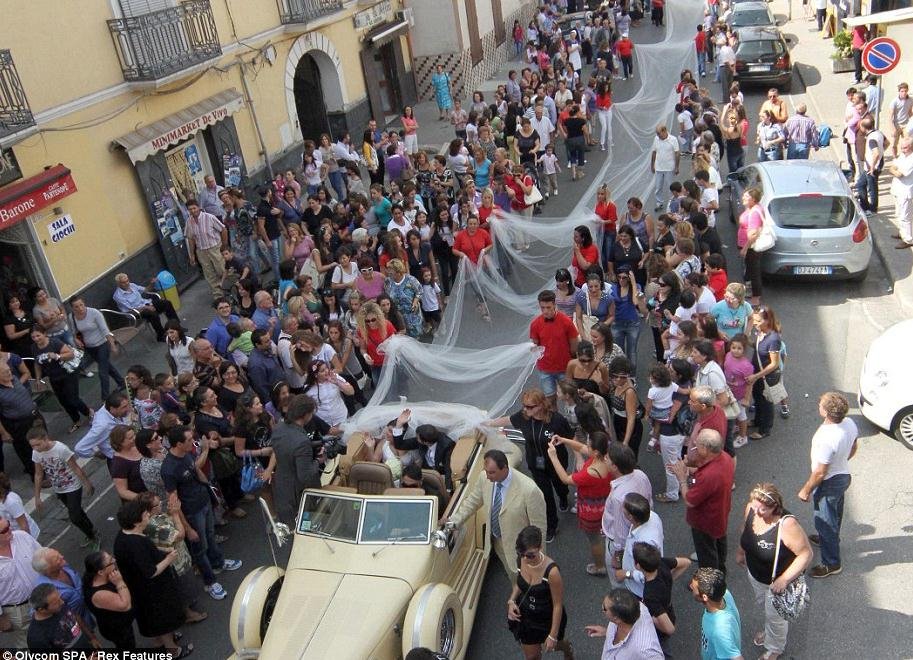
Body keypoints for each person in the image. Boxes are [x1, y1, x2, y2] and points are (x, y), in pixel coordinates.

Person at [161, 425, 242, 601]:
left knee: (210, 536)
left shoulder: (186, 454)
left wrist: (211, 492)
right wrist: (187, 528)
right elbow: (173, 501)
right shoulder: (169, 469)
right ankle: (210, 582)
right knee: (199, 548)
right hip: (191, 512)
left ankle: (218, 563)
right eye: (189, 440)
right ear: (177, 444)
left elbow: (196, 470)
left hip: (204, 502)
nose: (193, 442)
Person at [736, 483, 813, 660]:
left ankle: (774, 649)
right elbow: (746, 531)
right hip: (755, 574)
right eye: (754, 506)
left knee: (776, 617)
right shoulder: (751, 509)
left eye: (762, 510)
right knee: (767, 609)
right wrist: (741, 551)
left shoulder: (787, 524)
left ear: (774, 507)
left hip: (776, 582)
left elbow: (806, 553)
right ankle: (770, 632)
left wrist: (784, 579)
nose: (756, 512)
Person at [447, 449, 547, 585]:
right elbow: (473, 502)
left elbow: (539, 529)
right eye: (486, 471)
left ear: (505, 468)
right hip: (497, 542)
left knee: (528, 582)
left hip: (520, 549)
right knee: (513, 577)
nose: (488, 476)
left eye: (492, 472)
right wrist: (454, 521)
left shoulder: (530, 490)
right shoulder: (484, 478)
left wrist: (537, 561)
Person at [112, 499, 189, 656]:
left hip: (141, 590)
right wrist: (169, 559)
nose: (148, 515)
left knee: (153, 621)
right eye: (144, 514)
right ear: (136, 522)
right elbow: (151, 571)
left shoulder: (125, 536)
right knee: (162, 620)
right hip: (152, 592)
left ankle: (159, 642)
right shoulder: (135, 544)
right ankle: (172, 650)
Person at [798, 392, 858, 578]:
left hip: (829, 482)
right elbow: (854, 446)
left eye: (820, 404)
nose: (819, 405)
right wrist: (841, 460)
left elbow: (820, 472)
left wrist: (806, 489)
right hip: (843, 475)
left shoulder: (826, 437)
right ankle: (830, 539)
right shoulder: (849, 423)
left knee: (825, 521)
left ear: (826, 412)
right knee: (835, 512)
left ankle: (831, 563)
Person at [546, 430, 612, 575]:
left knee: (594, 539)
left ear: (595, 452)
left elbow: (565, 479)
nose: (585, 447)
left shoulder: (590, 473)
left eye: (589, 446)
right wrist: (564, 439)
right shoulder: (607, 458)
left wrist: (553, 457)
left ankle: (600, 566)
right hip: (604, 502)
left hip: (591, 510)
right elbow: (582, 448)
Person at [670, 429, 734, 573]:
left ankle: (709, 581)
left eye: (697, 445)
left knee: (707, 554)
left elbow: (690, 500)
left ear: (705, 449)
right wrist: (692, 468)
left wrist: (682, 478)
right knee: (719, 544)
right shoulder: (725, 458)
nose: (693, 447)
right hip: (720, 513)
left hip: (705, 521)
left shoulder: (708, 476)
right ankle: (721, 571)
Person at [28, 427, 99, 550]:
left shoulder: (61, 449)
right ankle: (91, 529)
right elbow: (38, 474)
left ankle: (93, 535)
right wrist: (37, 496)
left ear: (46, 439)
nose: (35, 448)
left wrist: (87, 483)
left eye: (38, 444)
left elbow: (76, 467)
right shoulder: (36, 453)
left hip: (72, 486)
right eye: (33, 446)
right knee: (77, 512)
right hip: (58, 488)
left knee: (75, 516)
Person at [506, 526, 572, 659]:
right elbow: (520, 584)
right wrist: (511, 601)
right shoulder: (521, 559)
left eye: (530, 555)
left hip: (547, 618)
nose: (525, 559)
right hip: (526, 617)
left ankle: (566, 647)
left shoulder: (552, 572)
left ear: (540, 547)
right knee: (532, 657)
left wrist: (553, 635)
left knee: (554, 645)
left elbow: (558, 605)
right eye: (521, 553)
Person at [268, 394, 323, 525]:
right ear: (305, 415)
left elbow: (282, 450)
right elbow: (305, 476)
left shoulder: (279, 428)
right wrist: (318, 461)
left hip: (282, 485)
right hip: (298, 494)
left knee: (291, 524)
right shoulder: (302, 441)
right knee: (307, 524)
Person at [603, 442, 652, 586]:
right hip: (641, 531)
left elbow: (620, 531)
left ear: (615, 467)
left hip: (619, 542)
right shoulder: (641, 475)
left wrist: (617, 556)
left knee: (619, 582)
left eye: (607, 458)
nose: (604, 459)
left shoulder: (619, 497)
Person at [31, 326, 93, 435]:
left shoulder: (54, 342)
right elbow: (37, 363)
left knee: (73, 398)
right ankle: (76, 420)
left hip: (67, 373)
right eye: (33, 337)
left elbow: (70, 354)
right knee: (63, 401)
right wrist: (38, 378)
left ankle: (89, 413)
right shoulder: (34, 348)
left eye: (38, 335)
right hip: (53, 377)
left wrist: (56, 356)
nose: (36, 339)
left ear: (44, 333)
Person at [634, 543, 692, 649]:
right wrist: (670, 579)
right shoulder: (662, 563)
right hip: (669, 609)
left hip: (660, 625)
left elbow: (670, 629)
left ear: (638, 566)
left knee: (661, 647)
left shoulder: (650, 594)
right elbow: (686, 562)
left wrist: (649, 618)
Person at [584, 587, 664, 659]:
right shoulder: (634, 606)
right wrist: (607, 632)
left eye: (604, 608)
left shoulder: (646, 651)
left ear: (617, 619)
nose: (602, 608)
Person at [70, 295, 125, 399]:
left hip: (102, 344)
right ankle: (121, 382)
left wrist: (112, 345)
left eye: (81, 305)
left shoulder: (94, 313)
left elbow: (105, 330)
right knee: (107, 366)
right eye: (76, 307)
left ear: (84, 303)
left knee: (102, 371)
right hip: (89, 347)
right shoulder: (71, 316)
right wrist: (75, 339)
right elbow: (73, 332)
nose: (80, 308)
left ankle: (105, 397)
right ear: (72, 308)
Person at [530, 290, 579, 403]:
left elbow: (574, 345)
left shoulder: (566, 321)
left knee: (570, 399)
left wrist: (572, 362)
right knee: (550, 400)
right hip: (545, 368)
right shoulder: (535, 324)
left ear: (554, 305)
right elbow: (535, 345)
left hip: (564, 368)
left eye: (548, 307)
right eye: (542, 308)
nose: (545, 311)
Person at [0, 516, 42, 647]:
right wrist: (1, 618)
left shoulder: (22, 537)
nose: (10, 529)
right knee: (28, 645)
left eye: (8, 525)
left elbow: (43, 558)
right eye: (4, 530)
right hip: (17, 611)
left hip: (42, 597)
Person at [32, 547, 94, 633]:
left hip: (89, 611)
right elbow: (39, 613)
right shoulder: (44, 589)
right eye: (57, 559)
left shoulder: (63, 566)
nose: (62, 556)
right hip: (76, 626)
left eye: (59, 554)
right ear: (48, 569)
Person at [82, 551, 136, 649]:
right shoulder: (99, 594)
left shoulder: (96, 577)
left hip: (121, 625)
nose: (114, 560)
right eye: (111, 561)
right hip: (118, 630)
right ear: (100, 572)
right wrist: (119, 582)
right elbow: (125, 605)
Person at [689, 567, 742, 660]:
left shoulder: (720, 630)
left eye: (693, 587)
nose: (690, 586)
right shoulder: (724, 594)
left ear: (705, 597)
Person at [26, 584, 97, 652]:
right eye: (56, 603)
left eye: (59, 598)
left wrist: (91, 637)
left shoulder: (59, 606)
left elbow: (75, 617)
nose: (62, 602)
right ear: (41, 609)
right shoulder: (36, 638)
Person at [746, 306, 782, 440]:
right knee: (757, 398)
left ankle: (764, 429)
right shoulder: (760, 332)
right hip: (757, 374)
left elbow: (774, 364)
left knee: (766, 402)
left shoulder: (773, 339)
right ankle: (757, 421)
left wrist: (756, 376)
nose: (755, 324)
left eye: (758, 321)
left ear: (767, 321)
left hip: (766, 376)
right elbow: (757, 347)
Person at [0, 361, 42, 477]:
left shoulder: (14, 378)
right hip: (19, 425)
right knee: (27, 451)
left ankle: (47, 466)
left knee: (42, 441)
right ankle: (35, 475)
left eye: (9, 370)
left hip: (35, 417)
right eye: (5, 372)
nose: (9, 372)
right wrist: (4, 433)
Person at [112, 272, 179, 342]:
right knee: (153, 314)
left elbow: (146, 290)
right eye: (123, 282)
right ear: (118, 284)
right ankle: (161, 336)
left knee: (166, 303)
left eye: (127, 281)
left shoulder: (132, 285)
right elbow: (131, 309)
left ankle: (175, 327)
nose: (127, 283)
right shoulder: (118, 296)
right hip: (135, 312)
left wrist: (152, 283)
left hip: (146, 304)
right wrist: (146, 307)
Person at [74, 391, 132, 464]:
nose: (128, 409)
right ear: (112, 409)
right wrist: (96, 453)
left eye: (127, 405)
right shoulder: (102, 425)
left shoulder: (108, 408)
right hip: (120, 460)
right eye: (124, 407)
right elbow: (80, 448)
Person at [889, 135, 913, 249]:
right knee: (898, 213)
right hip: (897, 190)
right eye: (902, 147)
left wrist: (894, 170)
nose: (903, 150)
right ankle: (902, 232)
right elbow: (892, 167)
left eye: (905, 148)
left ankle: (908, 239)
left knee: (905, 216)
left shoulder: (911, 159)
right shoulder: (903, 156)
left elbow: (899, 173)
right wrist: (894, 169)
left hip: (905, 192)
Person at [651, 124, 680, 211]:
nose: (657, 135)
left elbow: (677, 153)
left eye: (659, 133)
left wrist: (677, 167)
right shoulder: (656, 139)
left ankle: (672, 203)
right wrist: (652, 165)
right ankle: (659, 203)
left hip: (669, 168)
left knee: (670, 187)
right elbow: (654, 152)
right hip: (659, 167)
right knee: (658, 186)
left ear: (664, 131)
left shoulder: (673, 139)